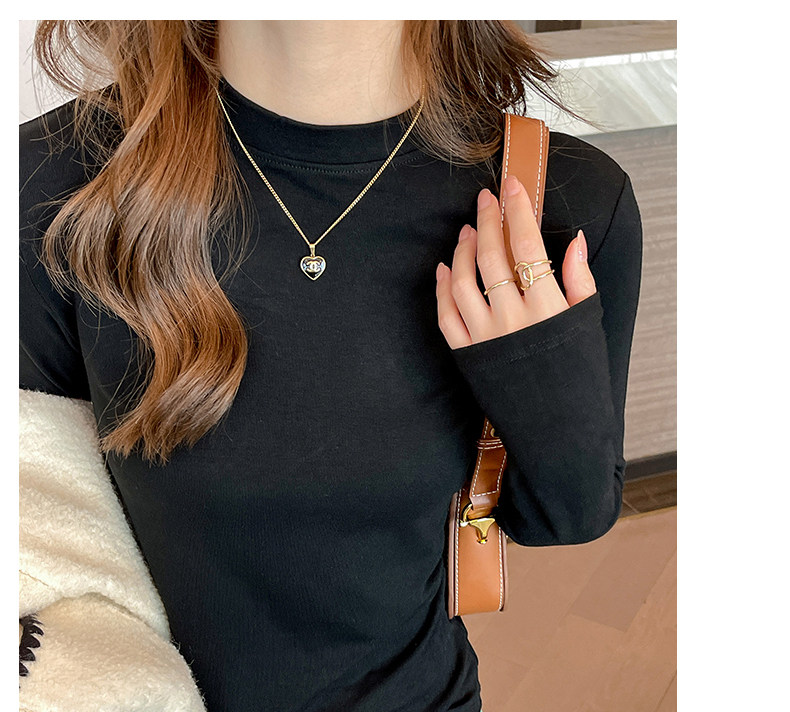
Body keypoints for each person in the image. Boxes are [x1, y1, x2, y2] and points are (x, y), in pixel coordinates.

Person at [19, 20, 642, 712]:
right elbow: (36, 541)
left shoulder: (558, 199)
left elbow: (563, 516)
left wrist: (533, 372)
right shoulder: (54, 183)